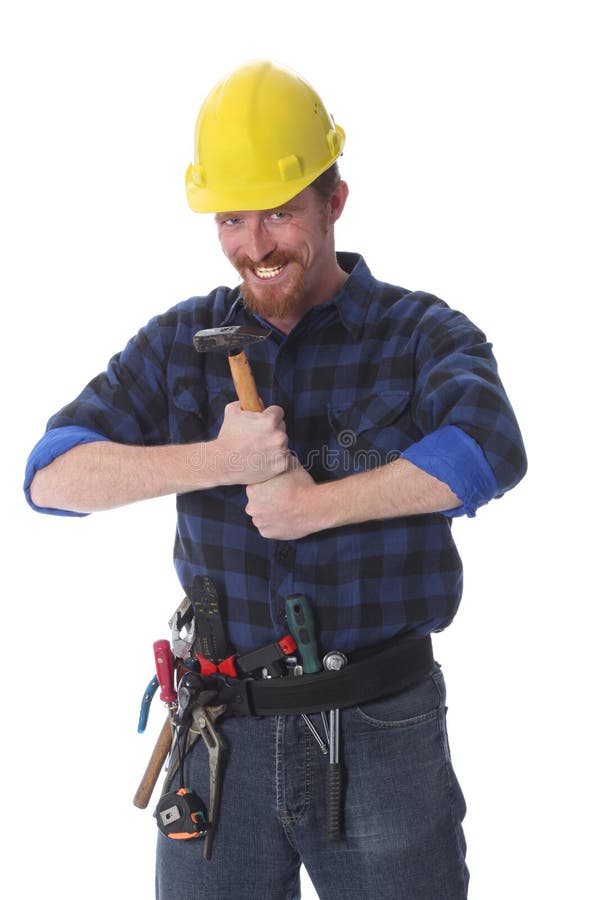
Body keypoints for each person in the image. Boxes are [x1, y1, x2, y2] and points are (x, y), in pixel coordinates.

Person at [24, 60, 527, 900]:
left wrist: (313, 507)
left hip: (379, 728)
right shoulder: (181, 342)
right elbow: (51, 477)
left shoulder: (418, 333)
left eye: (280, 213)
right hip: (221, 735)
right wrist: (219, 461)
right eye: (231, 218)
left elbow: (487, 450)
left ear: (334, 200)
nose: (254, 245)